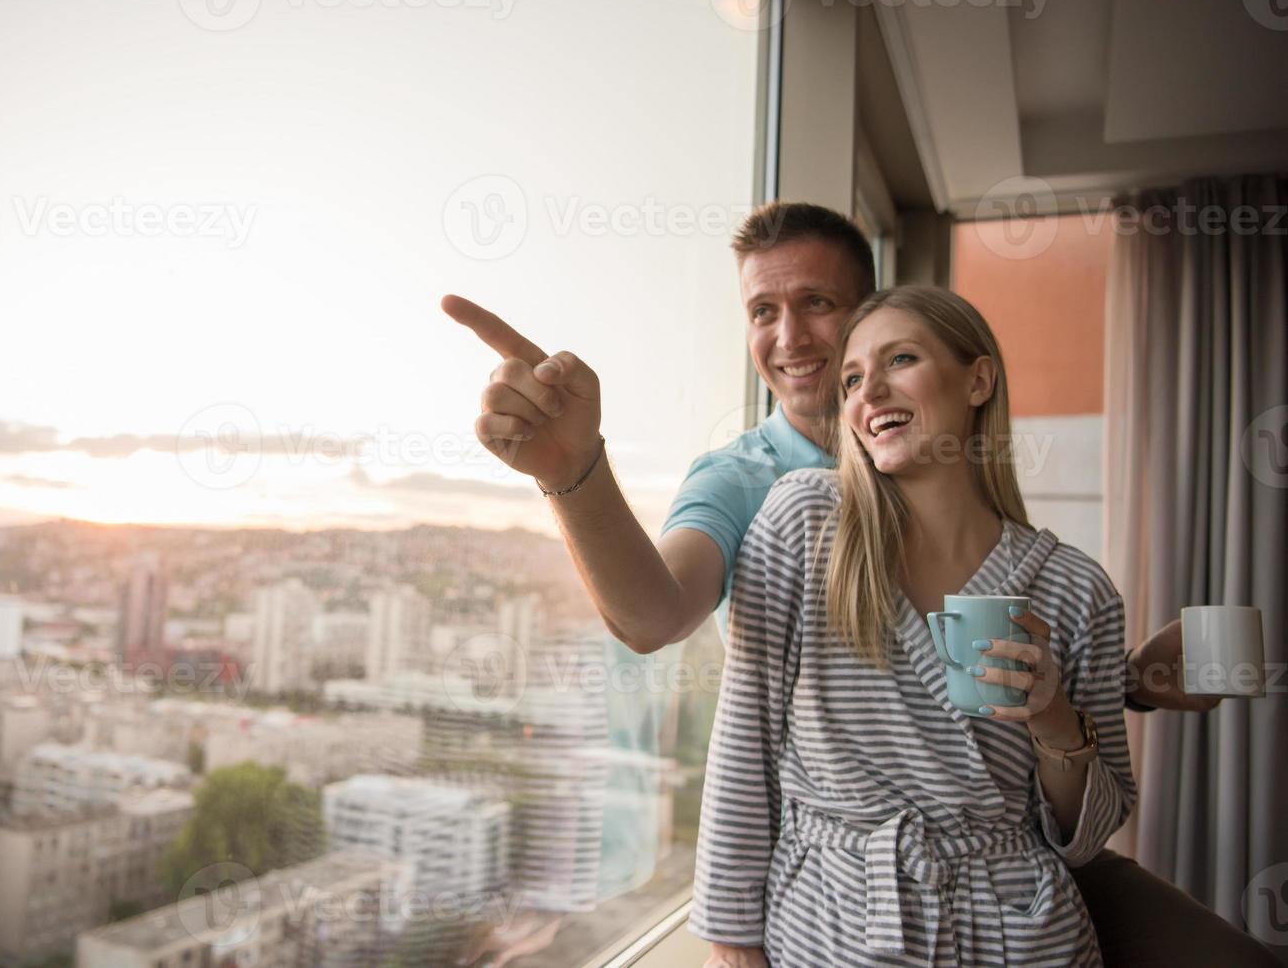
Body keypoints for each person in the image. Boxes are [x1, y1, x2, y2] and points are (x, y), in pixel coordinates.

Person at [443, 201, 1277, 965]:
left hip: (1021, 894)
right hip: (844, 900)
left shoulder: (1066, 578)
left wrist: (1113, 683)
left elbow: (1022, 758)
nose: (793, 338)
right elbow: (661, 625)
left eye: (817, 305)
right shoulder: (765, 493)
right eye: (762, 312)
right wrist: (575, 472)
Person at [694, 284, 1134, 965]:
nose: (867, 391)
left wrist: (1052, 719)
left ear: (978, 380)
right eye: (850, 378)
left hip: (1023, 935)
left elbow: (1090, 834)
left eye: (898, 360)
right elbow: (742, 746)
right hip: (834, 926)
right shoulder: (806, 522)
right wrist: (731, 944)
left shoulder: (1077, 588)